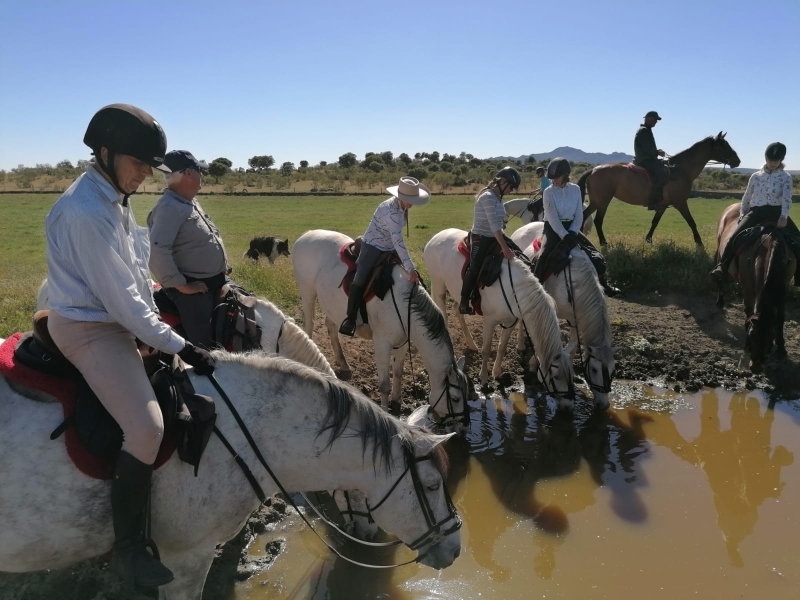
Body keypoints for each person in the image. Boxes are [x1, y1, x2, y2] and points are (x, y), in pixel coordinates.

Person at [44, 104, 216, 590]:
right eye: (138, 163)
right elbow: (121, 301)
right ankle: (129, 549)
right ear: (104, 152)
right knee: (146, 428)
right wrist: (179, 342)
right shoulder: (87, 212)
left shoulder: (114, 196)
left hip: (114, 319)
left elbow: (136, 275)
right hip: (89, 329)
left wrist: (157, 329)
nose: (145, 174)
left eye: (148, 166)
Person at [148, 150, 231, 349]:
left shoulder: (188, 202)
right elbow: (157, 251)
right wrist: (183, 287)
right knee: (205, 346)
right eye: (198, 170)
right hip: (192, 290)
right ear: (188, 173)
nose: (201, 175)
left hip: (215, 281)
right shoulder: (170, 207)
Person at [339, 176, 430, 336]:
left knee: (412, 277)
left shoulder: (402, 206)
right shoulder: (391, 212)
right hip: (373, 246)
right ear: (401, 197)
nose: (413, 203)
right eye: (411, 199)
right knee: (359, 279)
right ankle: (350, 319)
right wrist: (411, 269)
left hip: (388, 245)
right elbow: (399, 243)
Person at [711, 142, 800, 283]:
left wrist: (783, 217)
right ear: (766, 159)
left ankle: (798, 275)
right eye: (771, 160)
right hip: (757, 211)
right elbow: (747, 196)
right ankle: (722, 266)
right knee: (733, 237)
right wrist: (742, 213)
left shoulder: (786, 177)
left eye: (776, 160)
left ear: (781, 161)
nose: (773, 163)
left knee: (797, 239)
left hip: (776, 212)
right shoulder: (756, 176)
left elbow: (787, 199)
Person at [532, 158, 619, 296]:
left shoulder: (576, 189)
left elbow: (579, 214)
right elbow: (552, 218)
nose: (553, 180)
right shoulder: (548, 192)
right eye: (552, 178)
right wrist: (564, 235)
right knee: (543, 256)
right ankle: (535, 291)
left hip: (572, 227)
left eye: (556, 177)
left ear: (565, 175)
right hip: (553, 229)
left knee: (594, 254)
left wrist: (572, 231)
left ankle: (604, 285)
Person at [459, 166, 521, 314]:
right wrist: (505, 248)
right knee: (474, 268)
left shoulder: (498, 197)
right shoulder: (487, 197)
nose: (512, 190)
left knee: (519, 253)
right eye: (511, 187)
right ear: (503, 181)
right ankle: (463, 301)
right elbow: (493, 225)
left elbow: (497, 223)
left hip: (496, 234)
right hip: (481, 237)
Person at [634, 110, 668, 211]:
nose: (656, 122)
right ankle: (653, 202)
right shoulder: (643, 130)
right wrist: (657, 152)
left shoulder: (646, 129)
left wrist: (656, 152)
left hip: (647, 158)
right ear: (648, 119)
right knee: (661, 174)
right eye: (654, 120)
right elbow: (647, 148)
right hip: (645, 159)